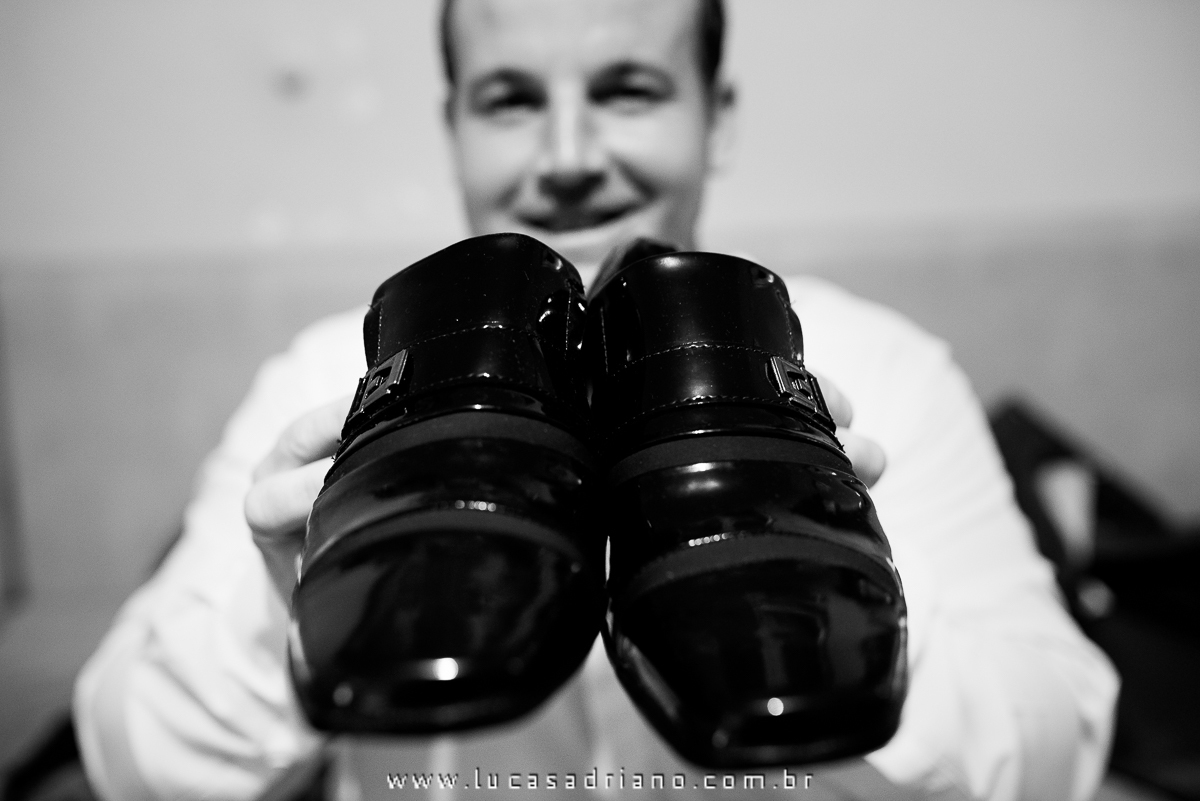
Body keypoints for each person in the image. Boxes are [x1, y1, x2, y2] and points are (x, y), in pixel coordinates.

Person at [74, 1, 1118, 799]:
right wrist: (283, 613)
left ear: (716, 116)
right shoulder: (324, 385)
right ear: (453, 126)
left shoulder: (884, 373)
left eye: (628, 89)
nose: (568, 157)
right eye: (510, 99)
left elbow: (1066, 741)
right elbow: (125, 755)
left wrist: (853, 579)